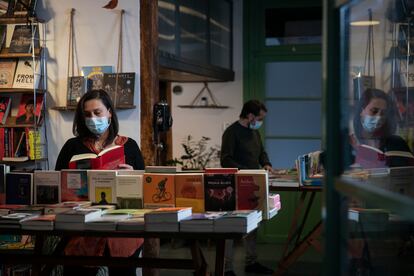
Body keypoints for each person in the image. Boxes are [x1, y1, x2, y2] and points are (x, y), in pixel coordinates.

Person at [55, 89, 145, 276]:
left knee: (122, 269)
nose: (92, 118)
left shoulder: (129, 146)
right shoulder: (72, 146)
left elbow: (145, 188)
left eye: (98, 112)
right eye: (87, 114)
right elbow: (57, 183)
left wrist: (133, 177)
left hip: (121, 224)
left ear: (109, 113)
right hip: (82, 224)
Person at [220, 99, 274, 276]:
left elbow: (261, 152)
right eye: (259, 118)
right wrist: (246, 171)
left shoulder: (254, 133)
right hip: (235, 185)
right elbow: (225, 160)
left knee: (254, 224)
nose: (260, 122)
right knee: (231, 226)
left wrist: (265, 163)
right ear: (250, 116)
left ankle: (251, 262)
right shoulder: (231, 132)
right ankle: (226, 267)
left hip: (253, 183)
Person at [350, 88, 412, 168]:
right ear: (361, 111)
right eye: (374, 111)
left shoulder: (397, 143)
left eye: (383, 113)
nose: (378, 117)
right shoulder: (348, 143)